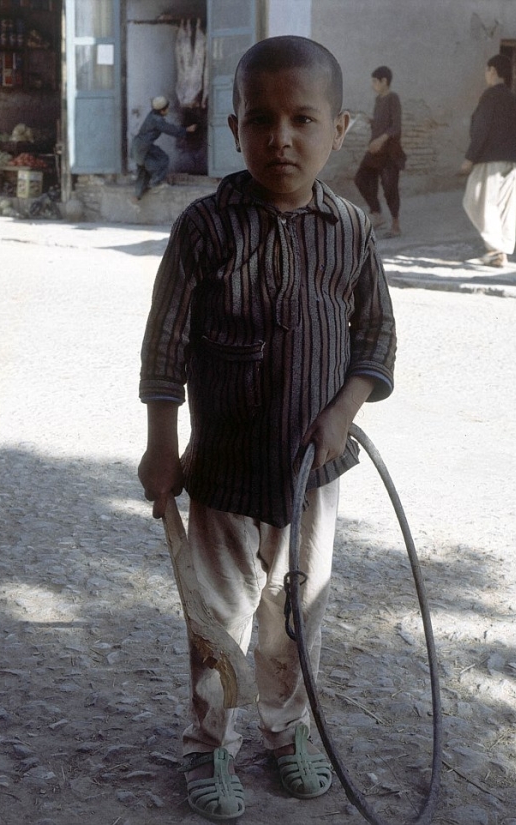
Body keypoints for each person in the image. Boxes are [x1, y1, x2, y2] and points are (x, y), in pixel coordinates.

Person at [138, 35, 396, 822]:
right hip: (221, 473)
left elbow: (375, 340)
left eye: (301, 119)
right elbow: (166, 346)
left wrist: (342, 411)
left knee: (294, 616)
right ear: (233, 126)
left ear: (339, 128)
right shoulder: (206, 229)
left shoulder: (349, 230)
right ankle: (207, 741)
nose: (280, 137)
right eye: (260, 119)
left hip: (312, 478)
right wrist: (160, 445)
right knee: (216, 618)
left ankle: (285, 733)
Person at [459, 54, 516, 267]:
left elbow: (481, 129)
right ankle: (501, 252)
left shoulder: (490, 96)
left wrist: (470, 158)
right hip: (511, 159)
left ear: (493, 71)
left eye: (487, 71)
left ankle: (495, 249)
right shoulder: (515, 99)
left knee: (476, 201)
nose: (486, 75)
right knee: (503, 207)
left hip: (490, 160)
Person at [354, 65, 405, 237]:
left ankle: (396, 225)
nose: (373, 85)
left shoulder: (393, 98)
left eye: (375, 81)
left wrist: (380, 139)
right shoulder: (378, 100)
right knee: (361, 178)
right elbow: (381, 123)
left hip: (390, 152)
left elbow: (395, 127)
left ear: (384, 81)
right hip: (375, 151)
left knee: (390, 187)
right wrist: (370, 121)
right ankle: (377, 214)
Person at [130, 95, 196, 200]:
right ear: (162, 111)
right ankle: (155, 183)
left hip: (139, 145)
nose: (168, 110)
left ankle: (137, 194)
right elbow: (170, 129)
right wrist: (186, 130)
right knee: (162, 159)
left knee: (143, 169)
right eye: (167, 108)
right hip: (143, 147)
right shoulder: (157, 120)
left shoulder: (152, 115)